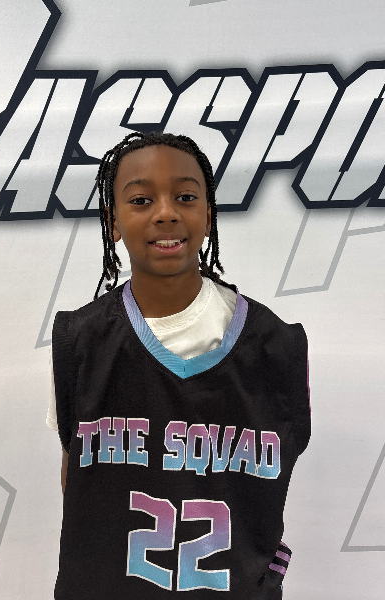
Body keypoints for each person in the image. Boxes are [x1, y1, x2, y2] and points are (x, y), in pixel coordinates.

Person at [48, 131, 310, 599]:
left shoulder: (277, 346)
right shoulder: (80, 342)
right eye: (141, 200)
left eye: (186, 197)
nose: (166, 212)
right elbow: (77, 479)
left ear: (208, 215)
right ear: (112, 222)